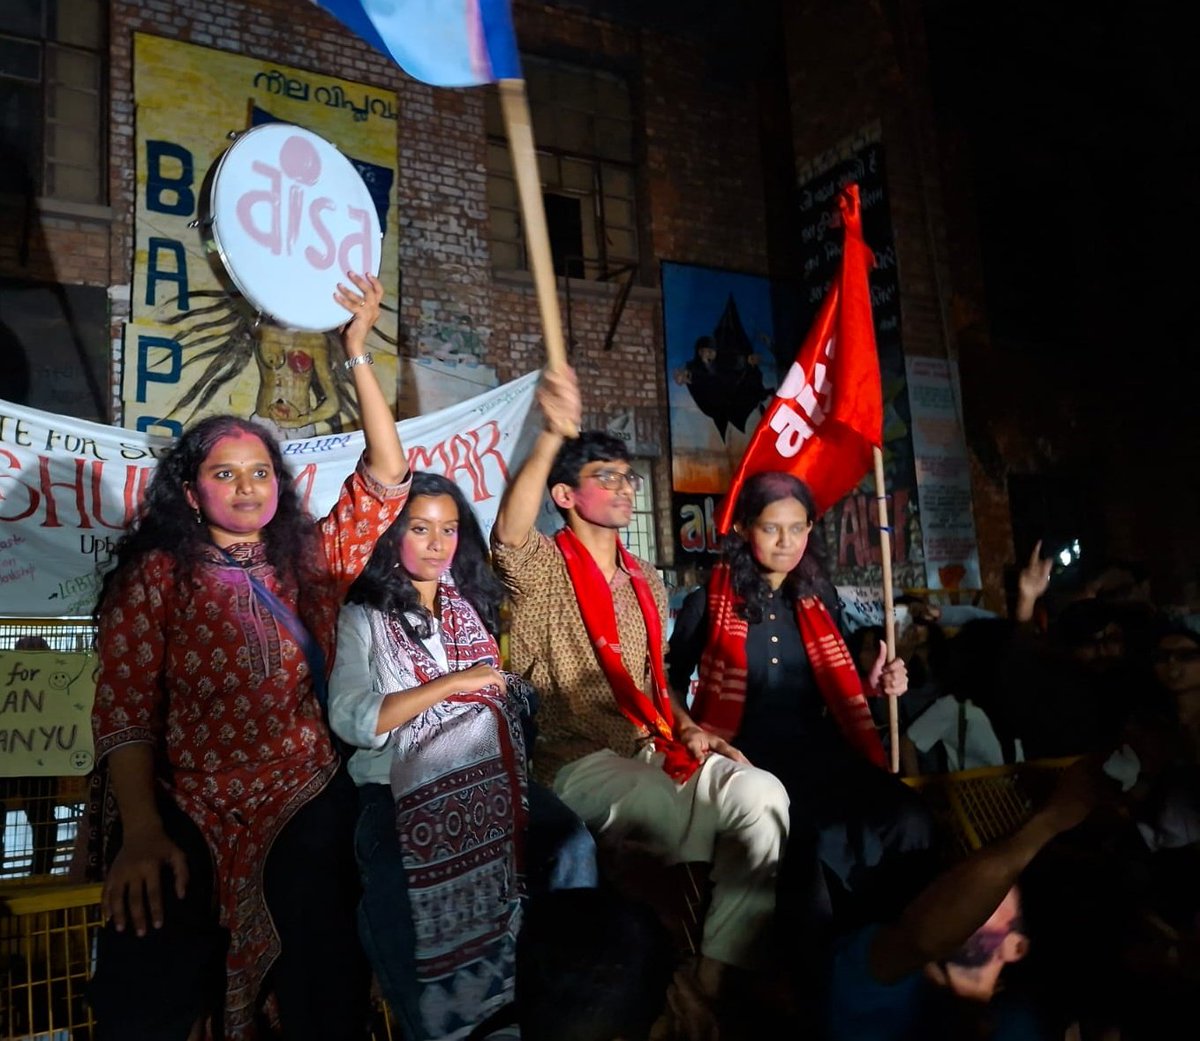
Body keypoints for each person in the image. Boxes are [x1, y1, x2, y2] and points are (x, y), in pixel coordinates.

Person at [87, 271, 410, 1041]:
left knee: (320, 986)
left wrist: (355, 354)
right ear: (192, 493)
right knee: (149, 961)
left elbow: (388, 478)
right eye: (224, 473)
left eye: (259, 471)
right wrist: (139, 830)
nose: (245, 486)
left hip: (305, 795)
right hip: (187, 804)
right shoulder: (157, 576)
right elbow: (126, 712)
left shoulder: (316, 563)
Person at [490, 366, 789, 1003]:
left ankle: (713, 969)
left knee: (762, 795)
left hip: (652, 744)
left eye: (629, 476)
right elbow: (507, 536)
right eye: (607, 477)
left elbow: (655, 682)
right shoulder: (545, 564)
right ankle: (648, 978)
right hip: (574, 759)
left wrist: (688, 724)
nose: (626, 487)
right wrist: (551, 436)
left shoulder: (645, 577)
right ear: (566, 496)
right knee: (657, 807)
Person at [328, 471, 597, 1041]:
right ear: (391, 535)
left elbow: (498, 694)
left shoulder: (470, 610)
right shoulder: (363, 617)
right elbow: (353, 718)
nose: (437, 543)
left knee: (572, 844)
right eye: (420, 529)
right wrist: (451, 686)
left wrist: (502, 689)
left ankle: (564, 1009)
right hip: (398, 792)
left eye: (448, 530)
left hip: (493, 782)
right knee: (401, 893)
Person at [667, 471, 933, 929]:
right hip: (747, 760)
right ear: (743, 528)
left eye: (798, 528)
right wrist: (691, 728)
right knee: (812, 843)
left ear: (811, 529)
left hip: (821, 752)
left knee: (907, 817)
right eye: (771, 528)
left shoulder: (818, 597)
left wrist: (878, 684)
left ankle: (901, 944)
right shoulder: (708, 601)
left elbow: (843, 682)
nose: (786, 542)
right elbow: (667, 680)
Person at [828, 758, 1110, 1041]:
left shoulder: (1019, 1025)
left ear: (1017, 946)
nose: (967, 892)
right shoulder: (880, 974)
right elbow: (921, 939)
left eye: (994, 894)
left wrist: (1051, 822)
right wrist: (1048, 822)